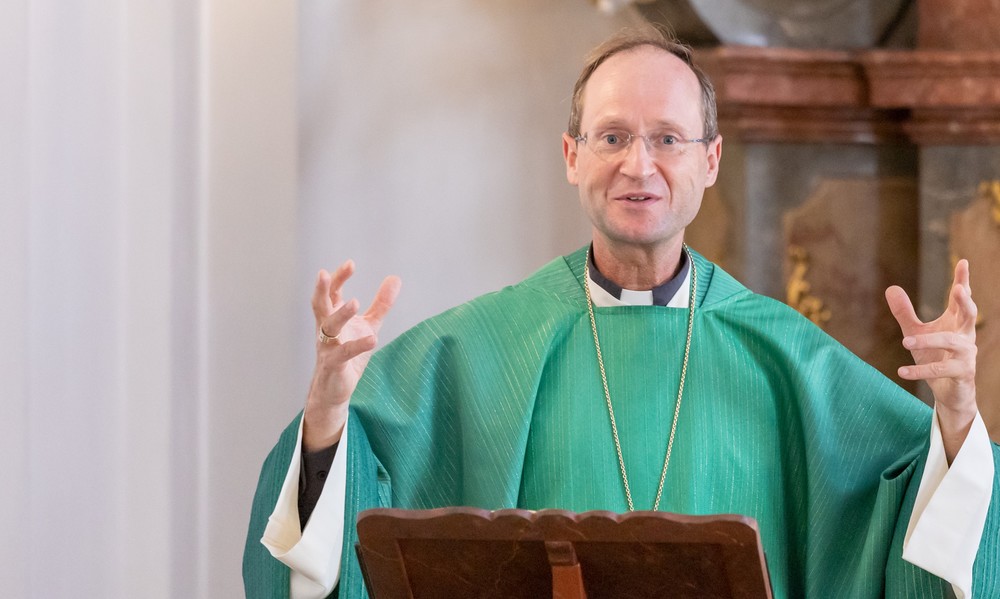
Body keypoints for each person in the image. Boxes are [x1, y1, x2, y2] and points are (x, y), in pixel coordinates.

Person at [243, 28, 998, 599]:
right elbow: (331, 529)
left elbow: (915, 515)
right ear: (572, 156)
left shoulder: (787, 358)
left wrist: (958, 417)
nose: (639, 165)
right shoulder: (475, 352)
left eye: (668, 138)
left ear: (710, 160)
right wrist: (326, 419)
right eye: (612, 137)